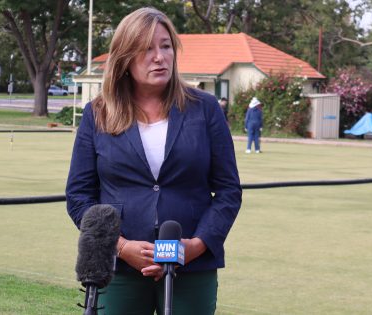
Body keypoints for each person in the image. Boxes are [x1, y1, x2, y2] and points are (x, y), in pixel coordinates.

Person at [65, 7, 242, 315]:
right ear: (124, 58)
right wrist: (121, 247)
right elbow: (79, 197)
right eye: (146, 49)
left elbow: (228, 192)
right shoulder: (97, 113)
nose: (159, 57)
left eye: (165, 46)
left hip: (192, 268)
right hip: (118, 269)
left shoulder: (206, 108)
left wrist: (196, 246)